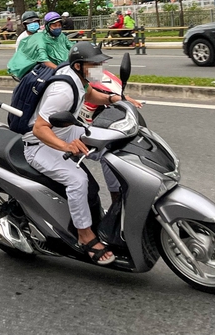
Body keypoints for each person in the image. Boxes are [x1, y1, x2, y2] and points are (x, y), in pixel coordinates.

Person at [23, 41, 141, 265]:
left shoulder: (79, 78)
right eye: (94, 64)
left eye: (101, 63)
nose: (100, 68)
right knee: (78, 180)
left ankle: (117, 205)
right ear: (78, 66)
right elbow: (39, 129)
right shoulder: (62, 91)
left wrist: (115, 99)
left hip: (65, 130)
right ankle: (84, 235)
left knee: (112, 147)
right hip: (40, 145)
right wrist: (67, 147)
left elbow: (89, 94)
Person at [7, 11, 73, 79]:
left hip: (50, 66)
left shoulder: (44, 34)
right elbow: (23, 56)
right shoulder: (23, 39)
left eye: (35, 22)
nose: (33, 24)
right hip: (32, 68)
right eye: (30, 23)